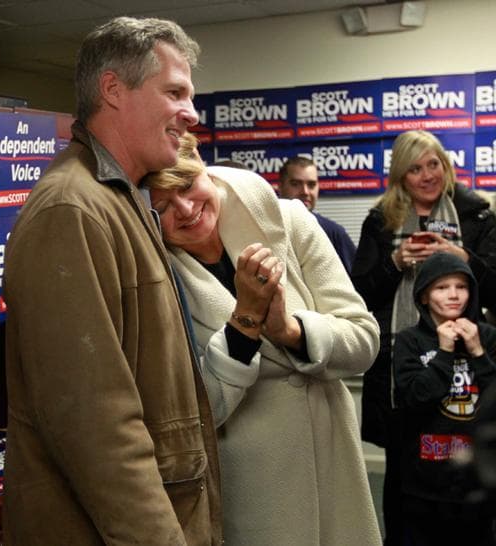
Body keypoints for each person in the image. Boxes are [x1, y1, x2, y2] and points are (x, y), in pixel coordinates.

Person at [2, 17, 222, 545]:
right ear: (113, 90)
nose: (191, 114)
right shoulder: (72, 210)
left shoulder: (120, 199)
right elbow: (96, 428)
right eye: (175, 92)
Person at [143, 133, 382, 545]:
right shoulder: (156, 272)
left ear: (203, 167)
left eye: (186, 186)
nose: (184, 209)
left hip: (333, 474)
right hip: (255, 495)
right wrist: (246, 321)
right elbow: (198, 413)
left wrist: (289, 332)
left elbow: (364, 340)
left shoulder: (288, 218)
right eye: (161, 206)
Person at [351, 129, 496, 545]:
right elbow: (360, 293)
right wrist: (396, 262)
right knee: (403, 480)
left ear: (446, 166)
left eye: (433, 164)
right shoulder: (382, 219)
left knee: (469, 473)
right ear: (401, 176)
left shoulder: (478, 214)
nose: (427, 175)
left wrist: (463, 259)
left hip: (468, 365)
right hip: (401, 363)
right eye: (415, 169)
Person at [393, 252, 496, 545]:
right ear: (424, 297)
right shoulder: (409, 340)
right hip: (424, 478)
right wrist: (445, 352)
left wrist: (477, 352)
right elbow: (415, 396)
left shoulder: (488, 337)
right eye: (441, 287)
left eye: (461, 286)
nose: (453, 295)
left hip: (478, 478)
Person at [278, 156, 356, 272]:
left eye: (311, 185)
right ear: (280, 187)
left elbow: (355, 283)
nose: (305, 192)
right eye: (295, 184)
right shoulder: (266, 229)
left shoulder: (334, 233)